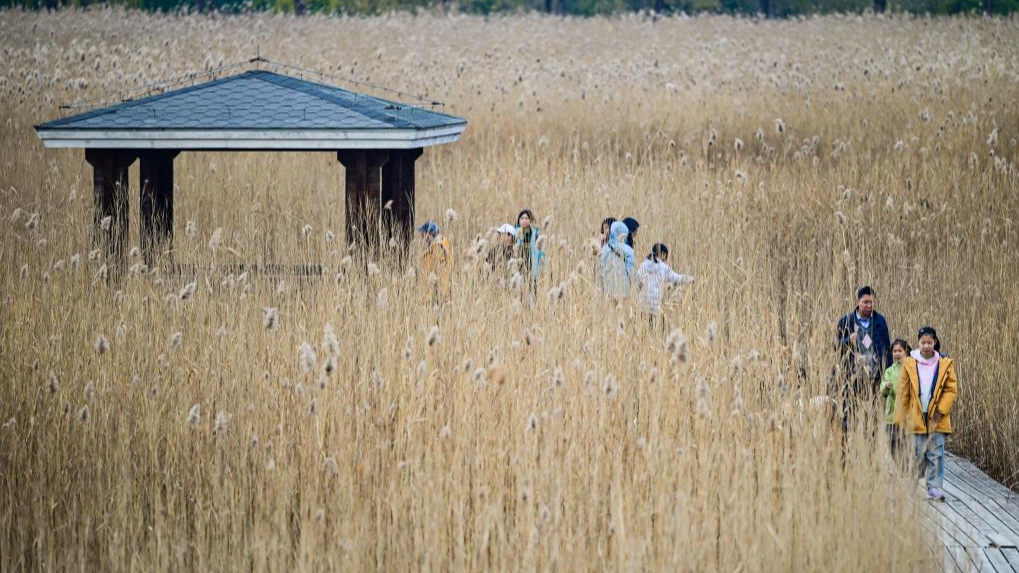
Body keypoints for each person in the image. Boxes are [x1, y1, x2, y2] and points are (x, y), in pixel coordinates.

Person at [895, 326, 958, 501]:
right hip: (916, 414)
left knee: (936, 452)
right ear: (918, 343)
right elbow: (903, 391)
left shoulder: (944, 363)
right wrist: (900, 418)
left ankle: (935, 487)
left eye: (929, 342)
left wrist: (941, 410)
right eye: (923, 342)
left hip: (937, 416)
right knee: (916, 452)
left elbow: (951, 390)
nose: (926, 346)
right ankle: (911, 486)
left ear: (935, 342)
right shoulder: (910, 362)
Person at [637, 243, 693, 318]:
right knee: (658, 328)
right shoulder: (663, 267)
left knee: (644, 328)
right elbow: (676, 278)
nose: (665, 260)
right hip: (656, 307)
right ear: (662, 254)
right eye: (665, 257)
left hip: (643, 305)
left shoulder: (643, 265)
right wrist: (690, 279)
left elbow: (637, 281)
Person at [879, 339, 911, 453]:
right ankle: (899, 469)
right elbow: (883, 390)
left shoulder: (911, 368)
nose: (897, 353)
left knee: (906, 449)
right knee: (892, 448)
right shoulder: (889, 371)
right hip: (891, 417)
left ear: (906, 352)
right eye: (894, 351)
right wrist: (885, 386)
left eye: (900, 351)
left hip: (907, 418)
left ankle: (905, 470)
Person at [600, 220, 635, 299]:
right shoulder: (629, 250)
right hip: (623, 289)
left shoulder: (604, 249)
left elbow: (601, 269)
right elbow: (631, 271)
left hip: (608, 289)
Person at [418, 220, 452, 298]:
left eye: (423, 234)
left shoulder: (437, 249)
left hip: (437, 293)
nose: (421, 237)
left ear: (429, 234)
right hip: (443, 291)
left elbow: (431, 271)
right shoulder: (443, 244)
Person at [515, 209, 545, 283]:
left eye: (526, 218)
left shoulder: (536, 234)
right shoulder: (515, 233)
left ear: (530, 220)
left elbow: (541, 251)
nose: (524, 220)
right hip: (519, 262)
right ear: (519, 220)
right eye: (522, 218)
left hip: (532, 262)